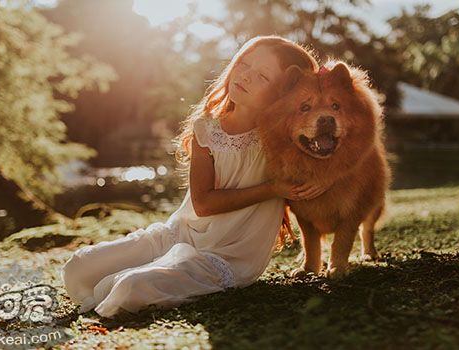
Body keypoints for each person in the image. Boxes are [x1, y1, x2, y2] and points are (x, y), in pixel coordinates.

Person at [61, 35, 327, 318]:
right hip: (181, 233)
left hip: (227, 256)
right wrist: (272, 188)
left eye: (262, 76)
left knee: (130, 288)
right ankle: (139, 271)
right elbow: (203, 204)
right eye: (244, 64)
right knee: (78, 267)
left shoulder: (284, 139)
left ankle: (137, 278)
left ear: (283, 94)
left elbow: (331, 159)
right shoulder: (207, 128)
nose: (246, 76)